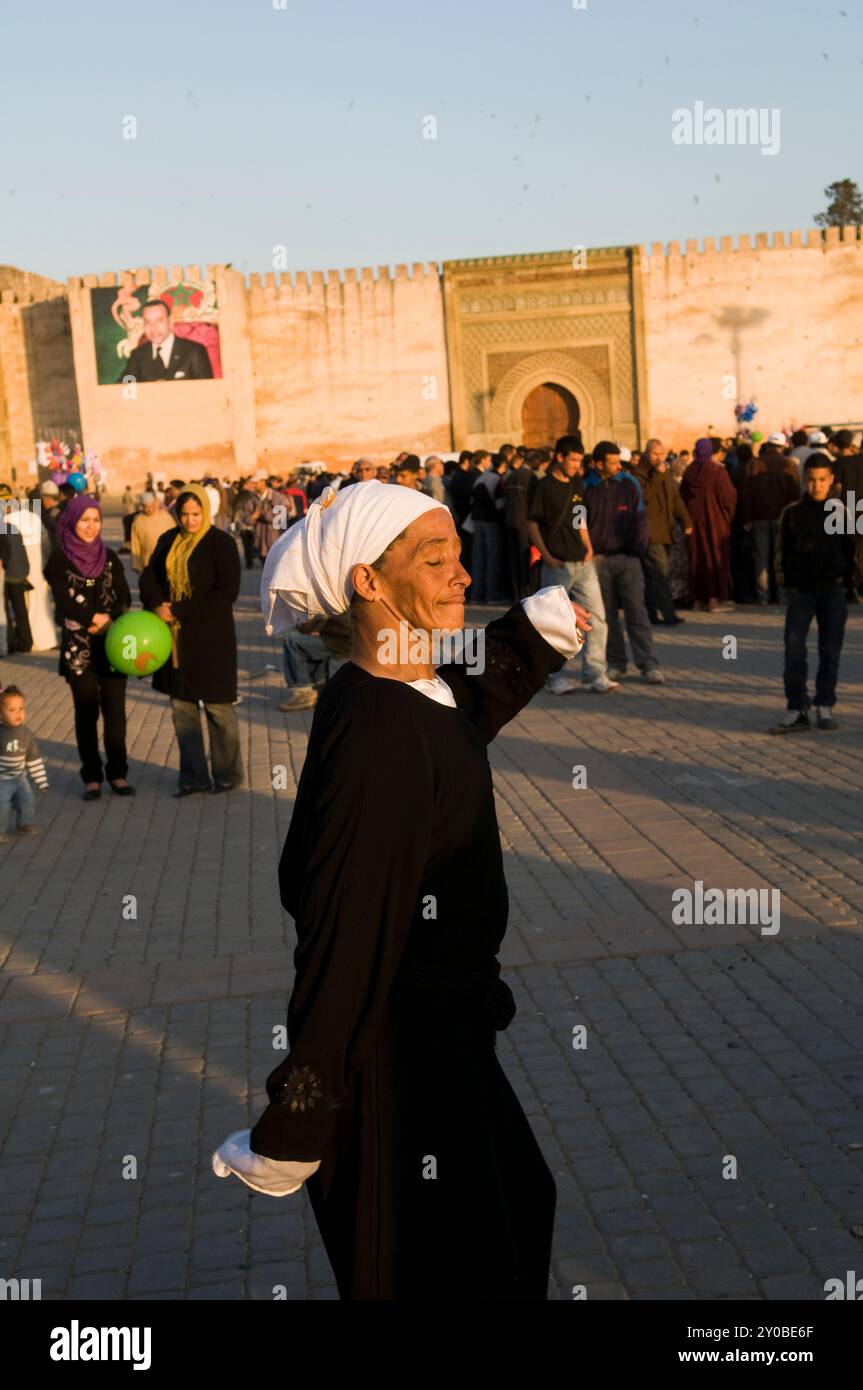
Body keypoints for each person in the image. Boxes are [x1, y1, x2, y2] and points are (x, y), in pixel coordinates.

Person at [214, 479, 591, 1301]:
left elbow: (452, 714)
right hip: (398, 1066)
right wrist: (301, 1113)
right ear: (368, 583)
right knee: (447, 1265)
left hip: (448, 1041)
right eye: (434, 559)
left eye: (458, 553)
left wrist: (529, 639)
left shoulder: (403, 690)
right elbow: (347, 933)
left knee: (517, 1212)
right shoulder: (376, 730)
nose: (461, 574)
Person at [139, 485, 243, 795]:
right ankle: (193, 776)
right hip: (176, 641)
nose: (190, 521)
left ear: (206, 513)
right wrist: (158, 604)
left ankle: (227, 774)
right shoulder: (168, 540)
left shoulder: (221, 544)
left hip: (212, 640)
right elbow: (149, 576)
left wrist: (179, 610)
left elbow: (227, 593)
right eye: (184, 514)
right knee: (182, 708)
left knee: (218, 709)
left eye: (196, 514)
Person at [44, 495, 133, 799]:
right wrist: (91, 617)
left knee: (115, 712)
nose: (91, 526)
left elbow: (124, 595)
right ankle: (92, 776)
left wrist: (111, 617)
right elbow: (63, 601)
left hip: (112, 645)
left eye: (96, 520)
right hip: (79, 648)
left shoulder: (108, 556)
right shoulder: (58, 559)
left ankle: (118, 774)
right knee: (86, 712)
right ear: (71, 521)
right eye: (85, 520)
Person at [770, 454, 856, 734]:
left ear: (831, 480)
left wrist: (848, 580)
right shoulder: (792, 512)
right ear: (803, 480)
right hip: (800, 592)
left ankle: (824, 705)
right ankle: (797, 708)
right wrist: (787, 583)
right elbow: (781, 551)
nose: (816, 485)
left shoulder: (842, 512)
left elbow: (851, 549)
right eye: (811, 480)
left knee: (830, 651)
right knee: (794, 650)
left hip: (833, 590)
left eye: (822, 480)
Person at [529, 435, 616, 693]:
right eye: (574, 460)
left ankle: (595, 673)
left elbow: (581, 518)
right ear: (559, 457)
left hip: (583, 563)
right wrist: (545, 555)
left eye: (580, 460)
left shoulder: (577, 482)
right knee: (556, 623)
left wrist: (588, 546)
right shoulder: (543, 486)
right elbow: (532, 523)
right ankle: (556, 676)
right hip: (557, 564)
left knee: (597, 618)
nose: (578, 465)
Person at [585, 441, 664, 683]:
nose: (618, 466)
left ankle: (648, 663)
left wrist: (637, 550)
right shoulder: (586, 486)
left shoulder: (629, 484)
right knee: (607, 616)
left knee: (637, 613)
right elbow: (578, 521)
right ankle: (616, 663)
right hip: (598, 561)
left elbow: (641, 518)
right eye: (612, 462)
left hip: (628, 559)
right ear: (598, 464)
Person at [634, 438, 692, 625]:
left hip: (665, 531)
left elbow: (675, 498)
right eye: (655, 454)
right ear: (646, 453)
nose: (659, 458)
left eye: (662, 454)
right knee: (661, 573)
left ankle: (650, 614)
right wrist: (657, 476)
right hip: (650, 533)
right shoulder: (638, 475)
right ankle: (669, 614)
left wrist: (686, 520)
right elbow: (644, 499)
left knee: (653, 576)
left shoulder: (663, 473)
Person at [680, 438, 737, 611]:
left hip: (694, 522)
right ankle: (713, 600)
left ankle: (697, 600)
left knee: (697, 558)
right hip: (715, 521)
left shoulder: (689, 471)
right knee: (714, 557)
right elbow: (729, 497)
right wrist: (728, 517)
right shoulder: (717, 472)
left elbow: (681, 497)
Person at [738, 441, 799, 604]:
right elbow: (794, 493)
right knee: (781, 555)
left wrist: (746, 518)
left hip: (759, 516)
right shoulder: (789, 464)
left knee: (761, 556)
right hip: (782, 515)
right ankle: (782, 594)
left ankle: (763, 595)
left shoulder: (753, 464)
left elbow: (746, 495)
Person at [0, 684, 49, 843]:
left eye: (21, 708)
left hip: (20, 777)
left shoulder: (26, 733)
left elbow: (33, 759)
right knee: (3, 805)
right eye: (11, 710)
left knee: (27, 799)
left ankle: (25, 824)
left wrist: (41, 781)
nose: (18, 713)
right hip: (2, 779)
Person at [122, 300, 214, 382]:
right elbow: (125, 386)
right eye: (148, 322)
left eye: (159, 321)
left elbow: (208, 392)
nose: (153, 328)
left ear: (170, 321)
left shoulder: (194, 351)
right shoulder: (137, 355)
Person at [467, 451, 507, 603]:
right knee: (492, 558)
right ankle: (492, 595)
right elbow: (500, 505)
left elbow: (471, 501)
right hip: (491, 522)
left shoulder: (480, 478)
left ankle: (476, 595)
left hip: (477, 522)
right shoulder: (497, 479)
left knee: (478, 558)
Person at [0, 501, 33, 653]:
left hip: (7, 575)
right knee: (20, 610)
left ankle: (11, 642)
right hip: (20, 573)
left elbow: (7, 552)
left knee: (5, 610)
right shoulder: (11, 527)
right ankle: (26, 642)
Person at [130, 492, 175, 573]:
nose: (149, 509)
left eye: (151, 506)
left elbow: (175, 537)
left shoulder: (166, 516)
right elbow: (135, 544)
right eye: (146, 507)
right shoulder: (138, 521)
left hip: (168, 561)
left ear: (155, 504)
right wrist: (136, 565)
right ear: (142, 507)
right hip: (148, 562)